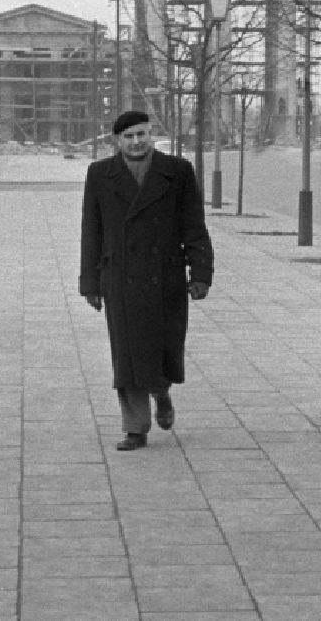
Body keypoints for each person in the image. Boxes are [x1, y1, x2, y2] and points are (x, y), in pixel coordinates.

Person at [79, 109, 214, 451]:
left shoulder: (178, 171)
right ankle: (135, 427)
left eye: (142, 134)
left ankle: (162, 393)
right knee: (126, 354)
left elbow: (194, 225)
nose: (137, 142)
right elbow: (91, 231)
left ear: (151, 134)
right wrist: (90, 283)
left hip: (165, 276)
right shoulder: (99, 174)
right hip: (120, 276)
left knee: (162, 348)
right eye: (129, 137)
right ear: (117, 141)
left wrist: (200, 273)